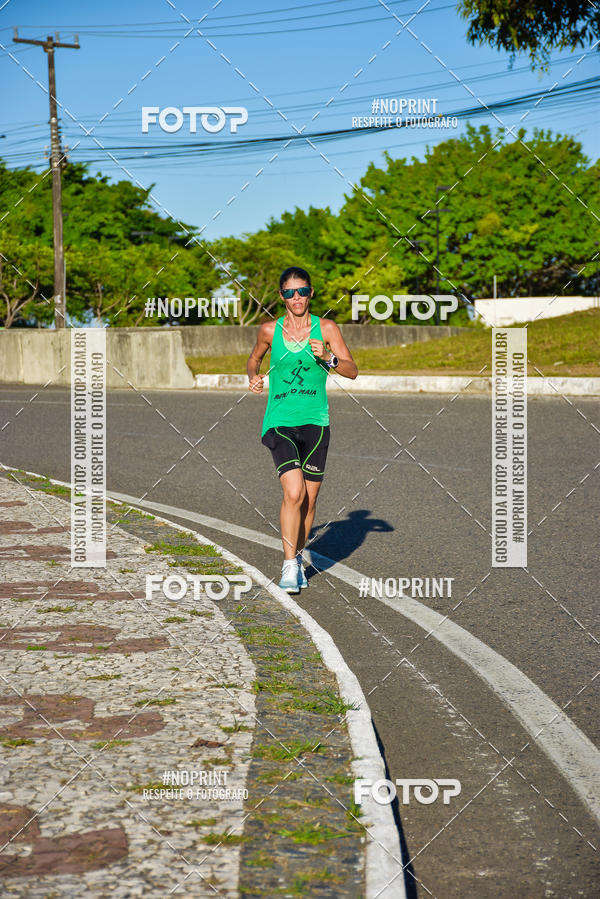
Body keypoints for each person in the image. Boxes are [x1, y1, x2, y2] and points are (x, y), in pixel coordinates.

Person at [246, 266, 358, 593]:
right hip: (279, 421)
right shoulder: (269, 330)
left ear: (311, 293)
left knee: (308, 501)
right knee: (293, 492)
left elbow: (352, 370)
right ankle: (288, 566)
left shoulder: (327, 328)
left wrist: (330, 358)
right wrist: (253, 377)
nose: (297, 298)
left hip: (316, 423)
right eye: (290, 293)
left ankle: (296, 558)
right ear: (281, 296)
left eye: (303, 291)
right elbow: (254, 359)